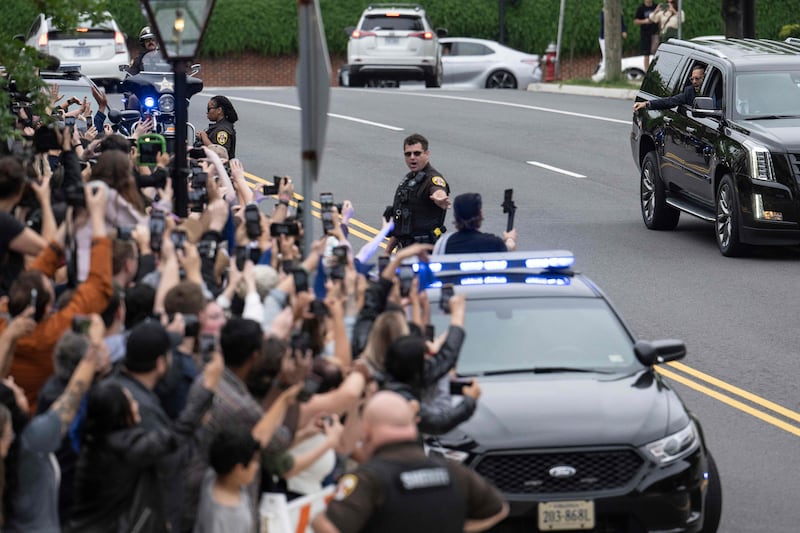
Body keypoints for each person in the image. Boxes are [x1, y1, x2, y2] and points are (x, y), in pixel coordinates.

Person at [311, 391, 508, 533]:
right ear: (413, 425)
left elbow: (328, 527)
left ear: (368, 432)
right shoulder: (453, 472)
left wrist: (316, 520)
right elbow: (498, 509)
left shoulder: (369, 479)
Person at [385, 134, 450, 253]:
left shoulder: (432, 178)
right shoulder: (409, 179)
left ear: (427, 154)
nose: (412, 157)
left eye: (417, 153)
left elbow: (437, 189)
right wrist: (387, 252)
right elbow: (402, 223)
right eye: (408, 154)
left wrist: (439, 197)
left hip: (424, 253)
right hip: (404, 250)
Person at [193, 424, 260, 533]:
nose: (256, 467)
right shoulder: (230, 516)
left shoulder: (211, 477)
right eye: (254, 462)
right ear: (238, 469)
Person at [432, 192, 518, 254]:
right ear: (480, 213)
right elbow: (509, 251)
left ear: (455, 216)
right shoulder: (494, 243)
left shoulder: (443, 243)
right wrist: (510, 239)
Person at [634, 65, 705, 112]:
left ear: (704, 78)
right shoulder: (689, 92)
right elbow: (670, 101)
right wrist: (646, 104)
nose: (694, 82)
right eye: (692, 79)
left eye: (697, 78)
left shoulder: (715, 91)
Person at [633, 0, 659, 70]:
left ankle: (656, 70)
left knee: (656, 53)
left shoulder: (656, 6)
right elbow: (635, 21)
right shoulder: (641, 8)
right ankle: (646, 71)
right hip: (645, 34)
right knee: (646, 54)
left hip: (655, 33)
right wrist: (645, 21)